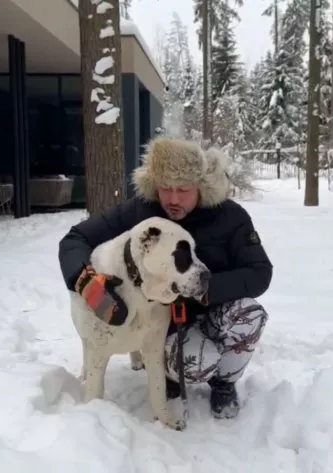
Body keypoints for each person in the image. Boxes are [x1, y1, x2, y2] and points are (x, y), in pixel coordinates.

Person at [58, 137, 273, 419]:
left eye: (183, 190)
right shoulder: (141, 211)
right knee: (194, 363)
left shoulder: (230, 217)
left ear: (200, 185)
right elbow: (76, 238)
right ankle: (171, 372)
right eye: (165, 188)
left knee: (250, 314)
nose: (173, 199)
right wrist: (84, 280)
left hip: (214, 308)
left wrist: (204, 289)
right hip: (168, 322)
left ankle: (224, 382)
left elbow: (260, 272)